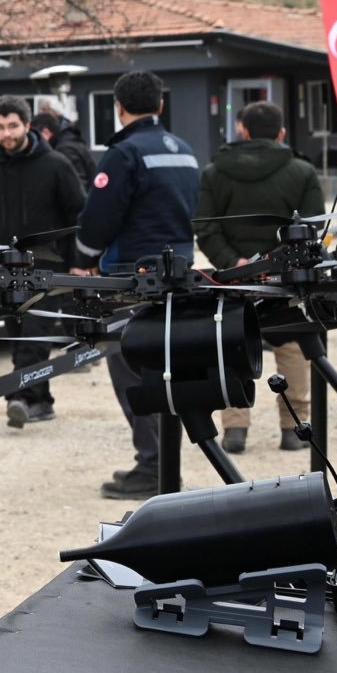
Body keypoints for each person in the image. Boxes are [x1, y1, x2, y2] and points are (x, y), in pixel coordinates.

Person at [74, 70, 200, 498]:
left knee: (127, 361)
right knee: (167, 364)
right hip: (178, 272)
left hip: (131, 275)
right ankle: (166, 461)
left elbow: (97, 221)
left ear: (119, 107)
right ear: (160, 106)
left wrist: (84, 261)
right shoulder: (183, 150)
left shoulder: (123, 154)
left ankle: (152, 465)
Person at [198, 99, 327, 453]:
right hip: (284, 277)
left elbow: (206, 228)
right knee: (291, 344)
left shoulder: (214, 171)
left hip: (234, 276)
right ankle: (294, 426)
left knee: (233, 342)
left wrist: (235, 262)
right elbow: (314, 226)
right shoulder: (301, 171)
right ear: (282, 133)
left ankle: (235, 427)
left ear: (243, 130)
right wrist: (280, 262)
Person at [0, 97, 85, 428]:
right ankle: (41, 401)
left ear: (28, 125)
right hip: (3, 271)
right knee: (18, 337)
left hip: (48, 269)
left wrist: (79, 262)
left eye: (13, 126)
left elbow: (78, 213)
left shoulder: (56, 164)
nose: (6, 133)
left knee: (34, 336)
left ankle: (19, 397)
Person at [33, 109, 98, 188]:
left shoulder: (65, 150)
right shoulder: (70, 141)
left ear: (46, 133)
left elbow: (77, 185)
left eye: (36, 136)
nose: (35, 141)